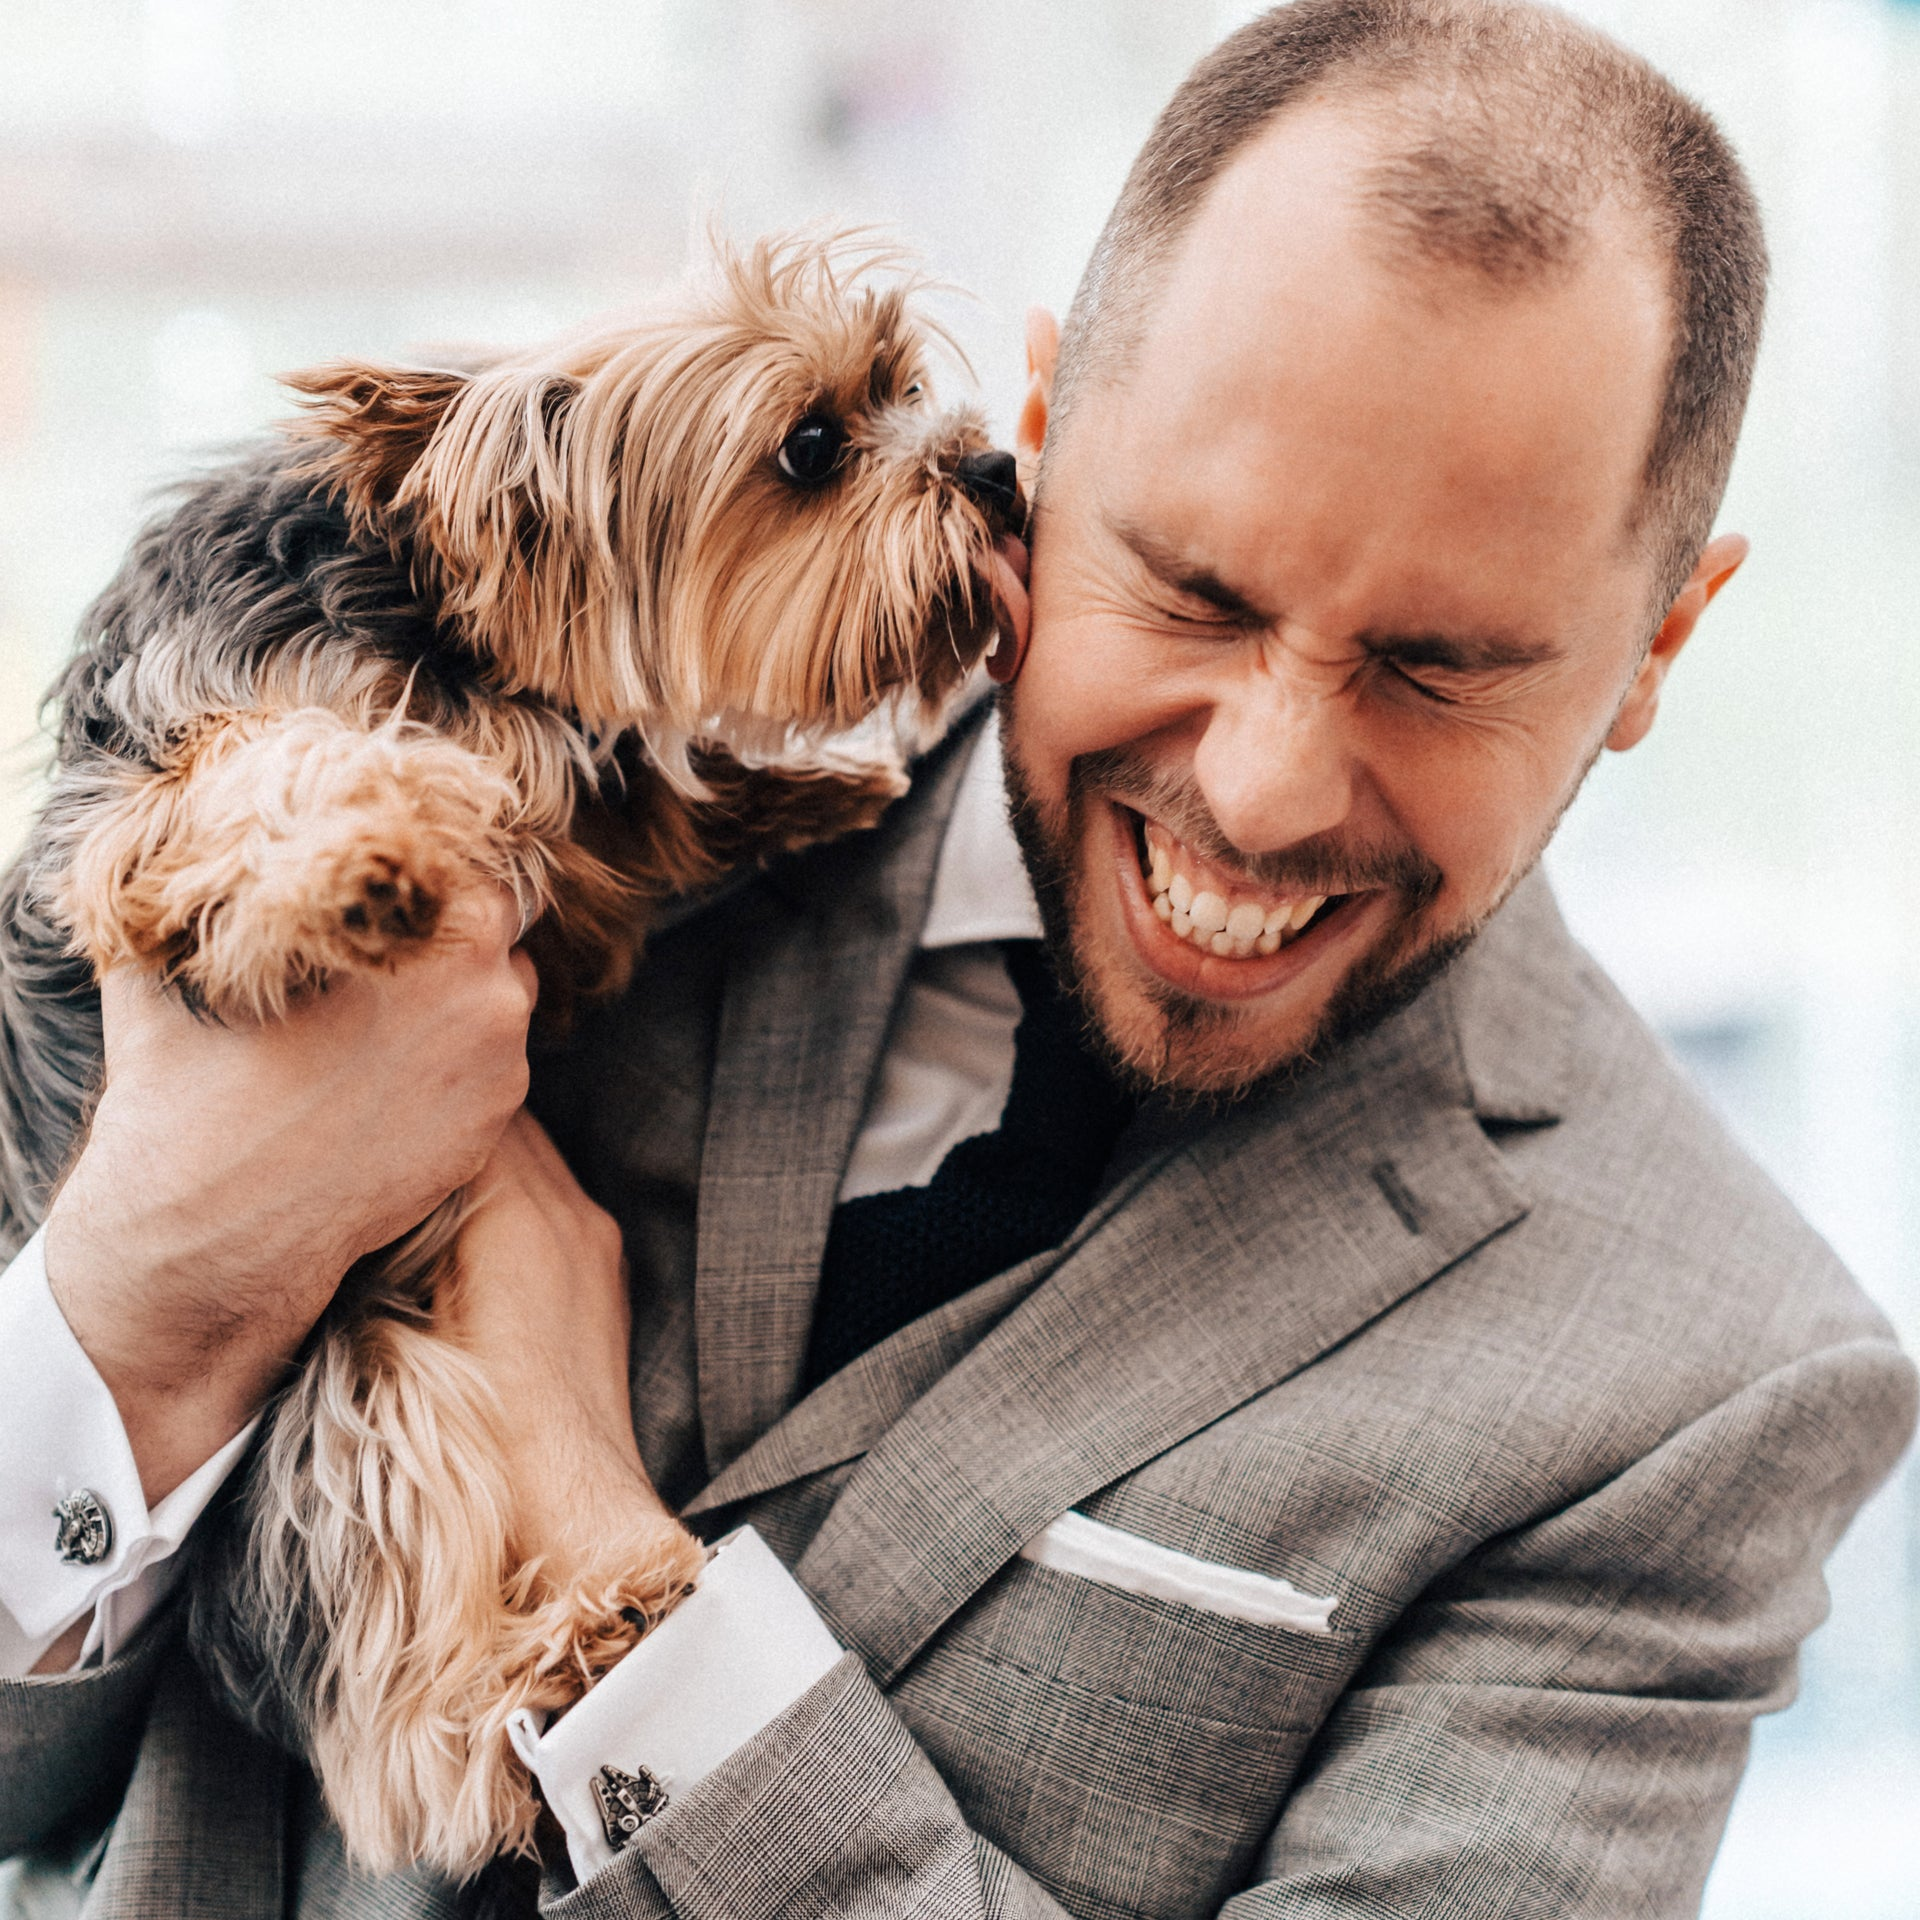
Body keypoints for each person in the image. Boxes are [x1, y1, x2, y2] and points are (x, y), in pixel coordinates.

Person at [3, 1, 1914, 1914]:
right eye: (1191, 586)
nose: (1254, 796)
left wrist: (611, 1562)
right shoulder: (546, 764)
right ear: (1049, 426)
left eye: (1436, 668)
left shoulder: (1708, 1390)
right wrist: (157, 1293)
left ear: (1662, 646)